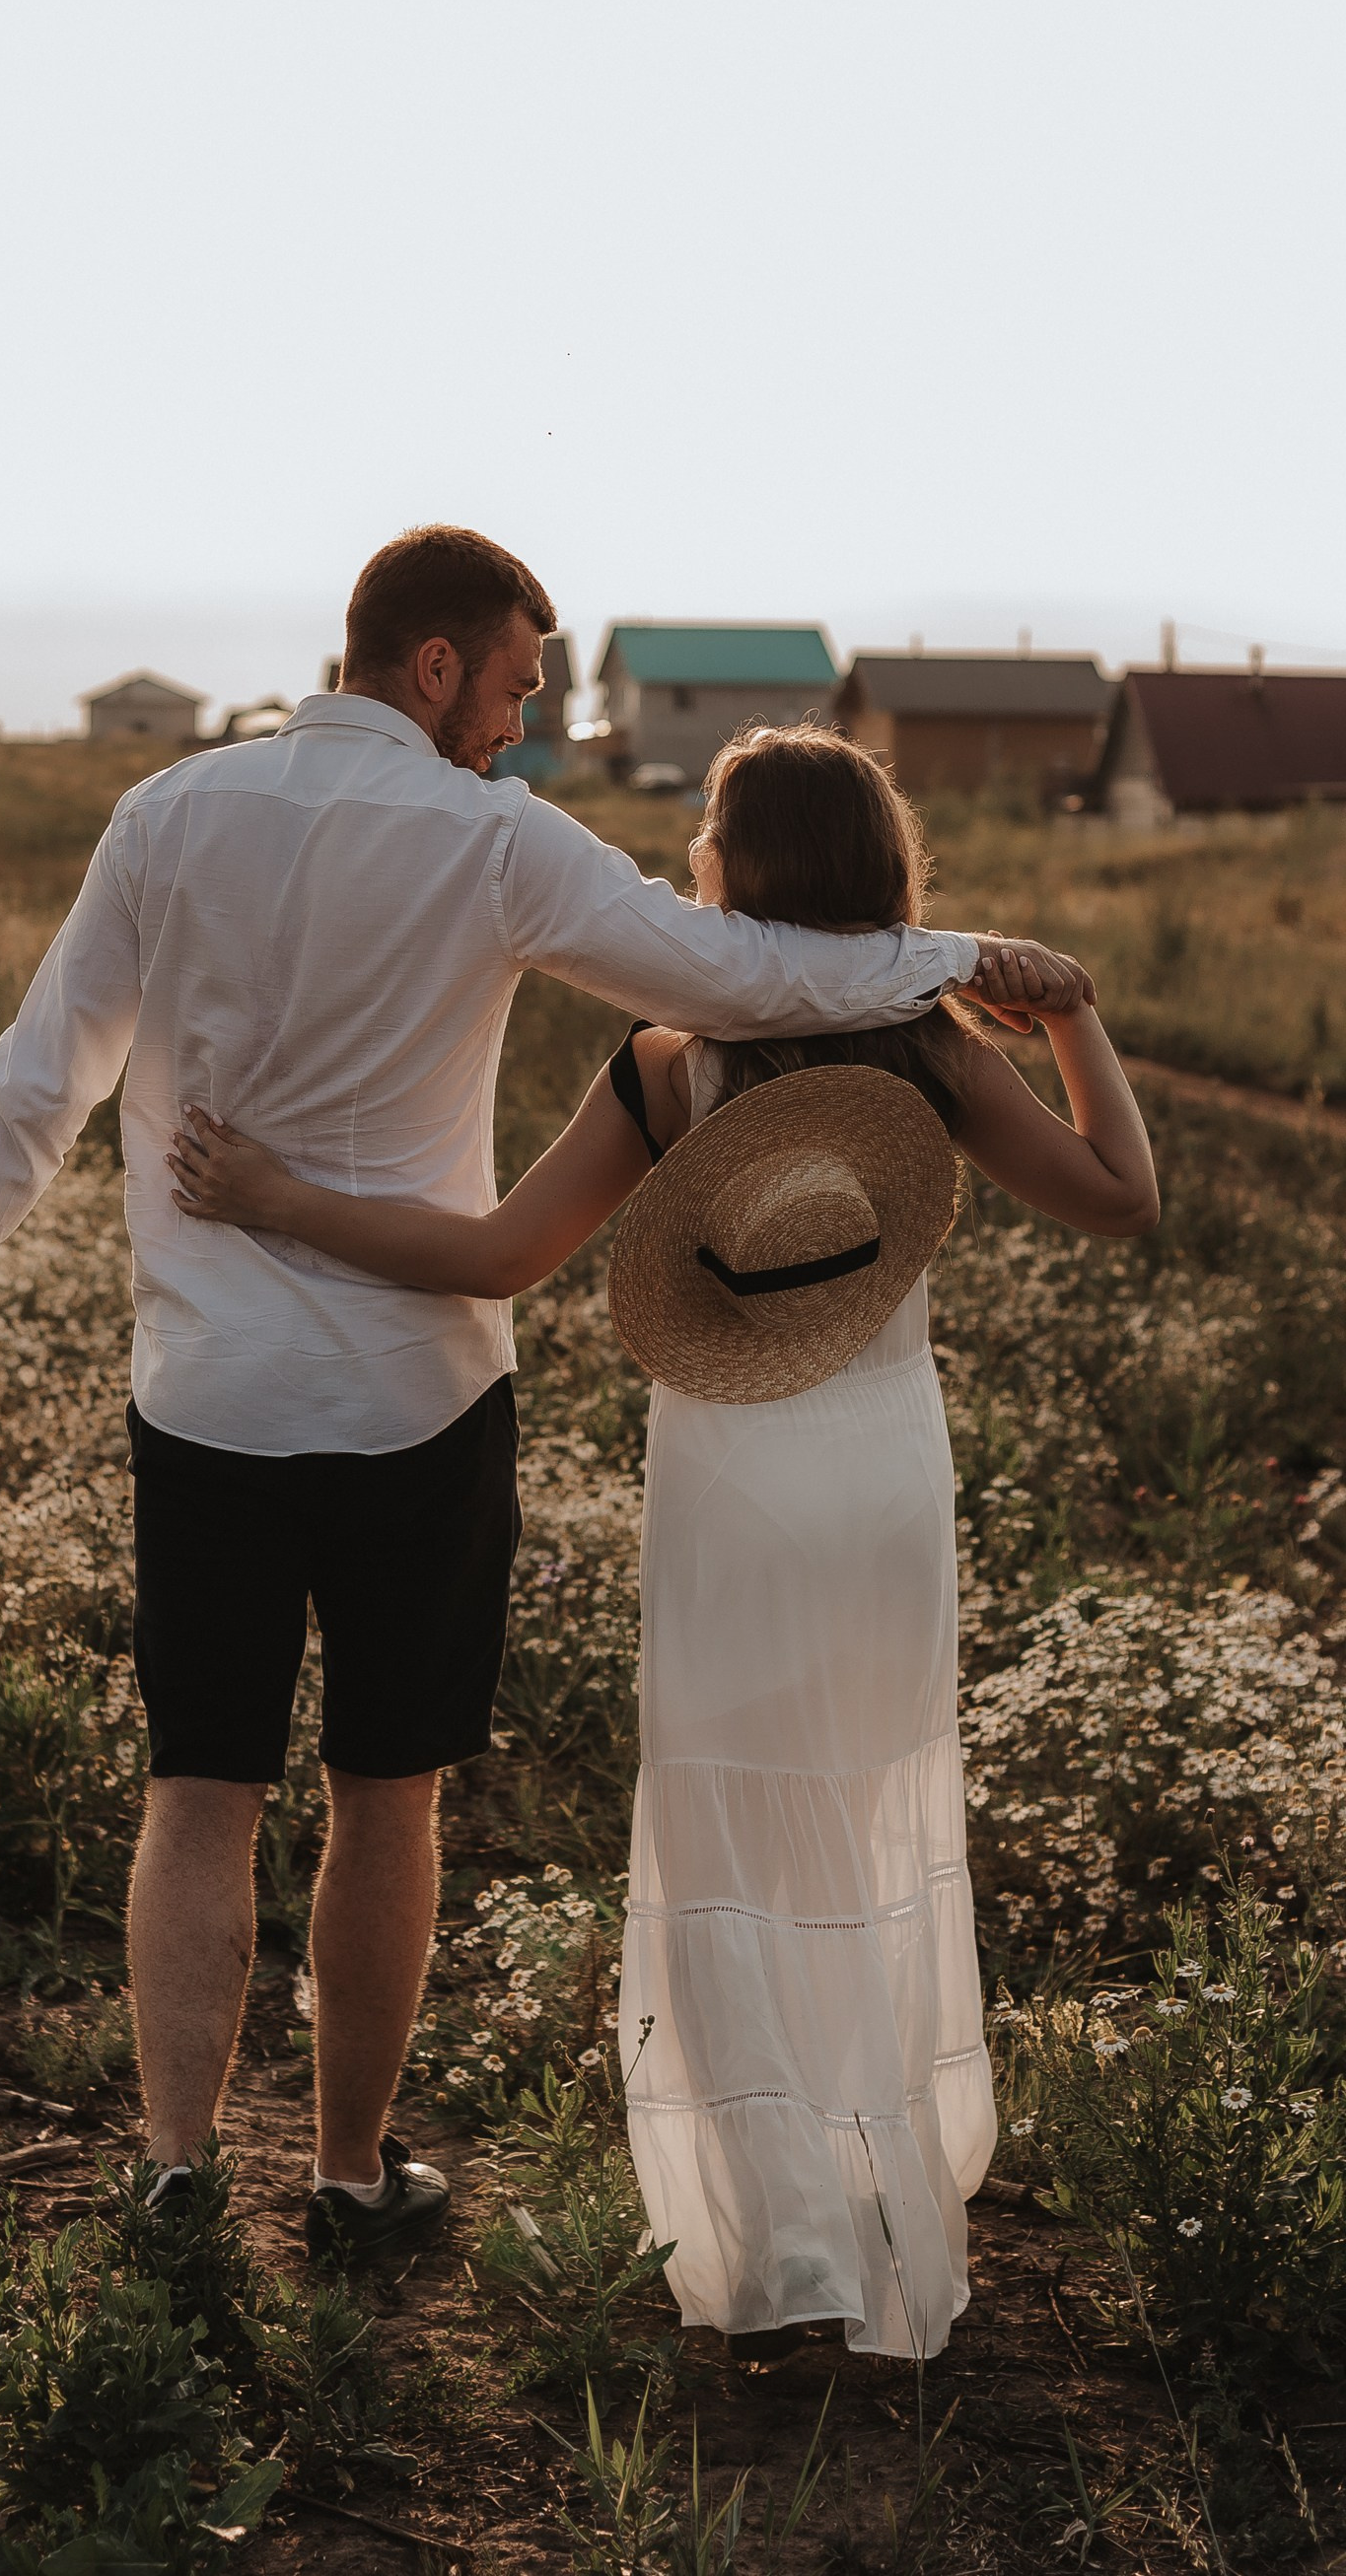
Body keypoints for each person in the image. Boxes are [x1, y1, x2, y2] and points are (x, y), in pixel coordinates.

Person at [0, 525, 1092, 2262]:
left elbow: (39, 1078)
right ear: (432, 664)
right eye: (508, 685)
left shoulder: (167, 817)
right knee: (385, 1797)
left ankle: (180, 2170)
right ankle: (352, 2181)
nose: (514, 726)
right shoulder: (497, 844)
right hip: (422, 1401)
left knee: (198, 1789)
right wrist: (949, 958)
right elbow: (742, 973)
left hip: (205, 1393)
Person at [167, 720, 1156, 2343]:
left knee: (736, 1836)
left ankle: (780, 2239)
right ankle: (883, 2185)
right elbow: (1124, 1197)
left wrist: (284, 1203)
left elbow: (497, 1255)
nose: (688, 847)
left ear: (750, 869)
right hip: (888, 1480)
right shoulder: (931, 1044)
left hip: (739, 1488)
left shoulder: (671, 1056)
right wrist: (1069, 1021)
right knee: (866, 1800)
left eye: (707, 824)